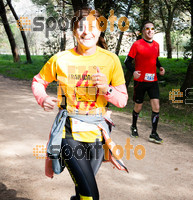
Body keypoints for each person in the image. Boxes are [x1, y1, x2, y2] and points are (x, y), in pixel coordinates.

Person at [32, 8, 128, 200]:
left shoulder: (111, 60)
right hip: (68, 133)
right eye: (81, 27)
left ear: (100, 29)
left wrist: (106, 89)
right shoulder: (60, 59)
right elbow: (38, 81)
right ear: (74, 31)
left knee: (83, 189)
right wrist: (42, 98)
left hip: (97, 135)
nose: (87, 32)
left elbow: (122, 100)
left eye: (92, 26)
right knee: (90, 195)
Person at [125, 21, 165, 144]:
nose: (150, 31)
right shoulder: (137, 44)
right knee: (138, 107)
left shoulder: (156, 45)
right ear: (143, 31)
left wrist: (160, 67)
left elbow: (154, 59)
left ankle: (153, 133)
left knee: (156, 107)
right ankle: (134, 126)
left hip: (153, 80)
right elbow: (127, 62)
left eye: (152, 28)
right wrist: (133, 71)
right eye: (147, 28)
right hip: (140, 81)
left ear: (154, 31)